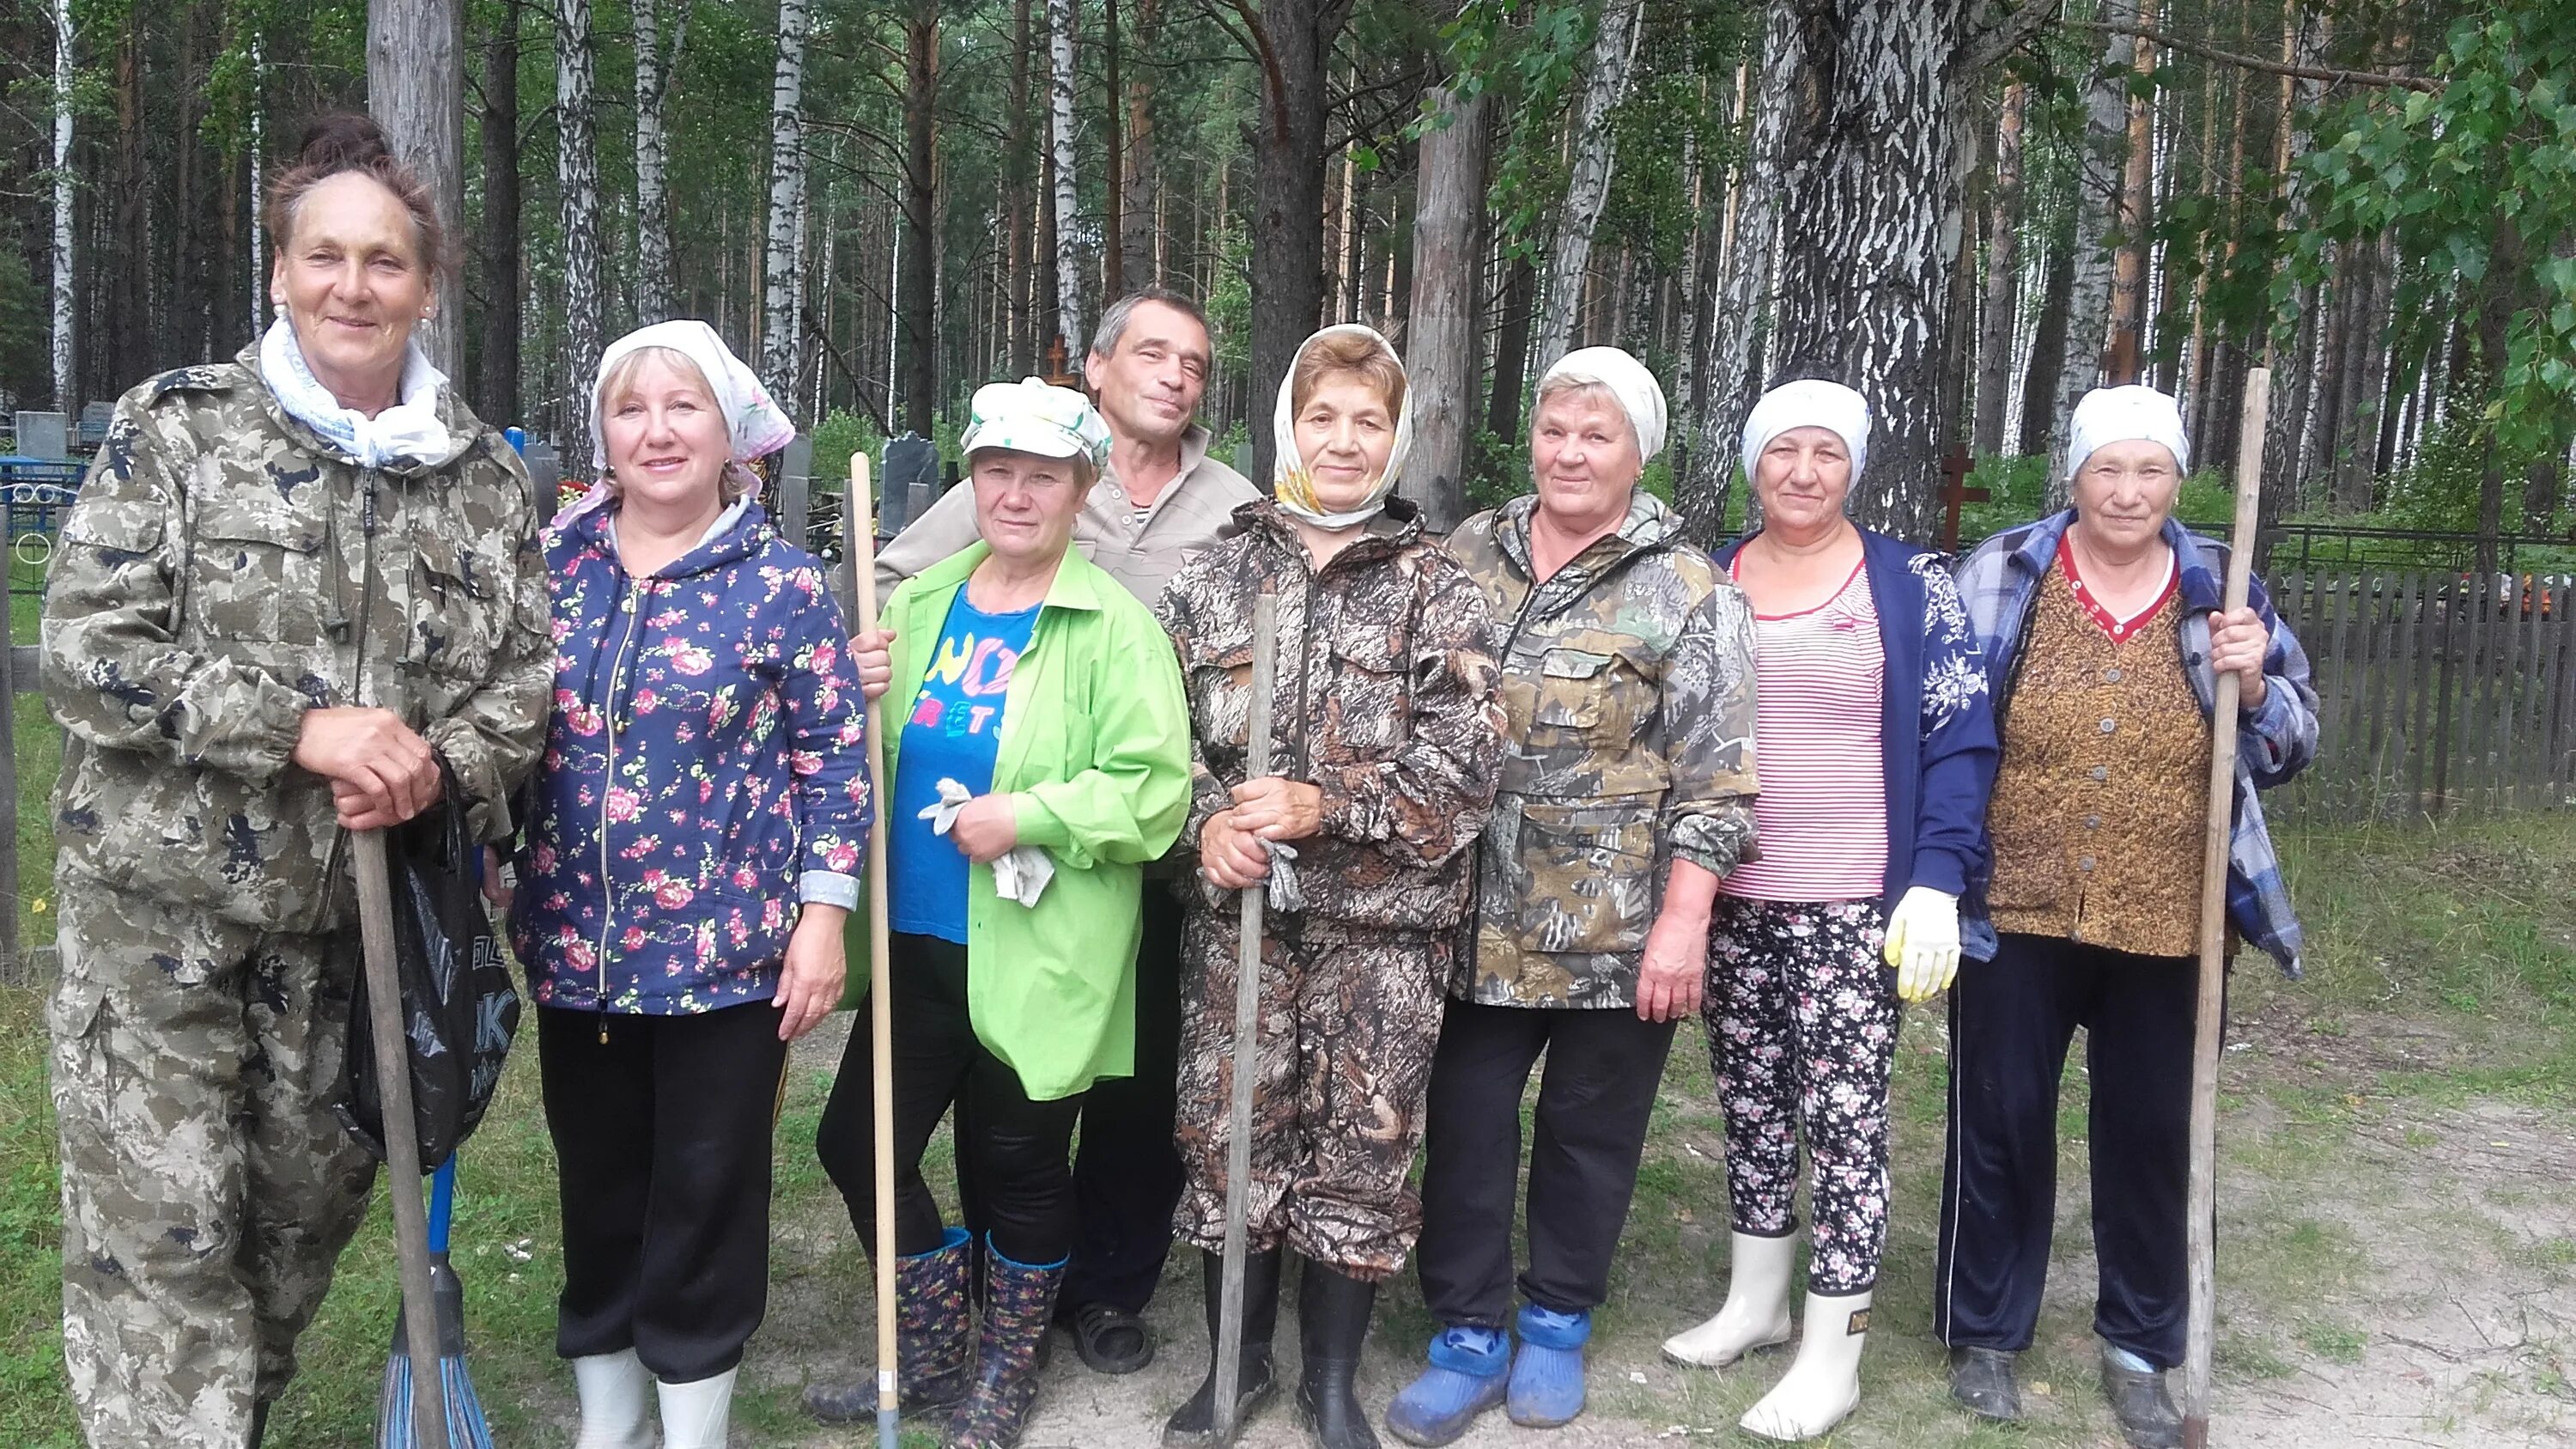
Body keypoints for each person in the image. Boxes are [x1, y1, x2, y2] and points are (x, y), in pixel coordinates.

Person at [39, 113, 549, 1449]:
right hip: (161, 937)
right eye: (324, 255)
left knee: (279, 1266)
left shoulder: (483, 480)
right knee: (164, 1261)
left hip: (349, 956)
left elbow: (527, 682)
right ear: (280, 270)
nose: (353, 286)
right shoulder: (180, 433)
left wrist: (439, 764)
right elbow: (89, 652)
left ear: (425, 287)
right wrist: (301, 726)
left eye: (385, 262)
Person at [872, 287, 1261, 1373]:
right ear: (1095, 368)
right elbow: (899, 582)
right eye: (1152, 352)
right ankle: (1008, 1295)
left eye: (1193, 360)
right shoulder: (1028, 470)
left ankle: (1105, 1287)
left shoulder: (1234, 504)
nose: (1175, 374)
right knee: (1016, 1087)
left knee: (1135, 1084)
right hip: (1012, 848)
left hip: (1162, 831)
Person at [501, 320, 868, 1449]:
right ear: (604, 431)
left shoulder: (782, 581)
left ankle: (694, 1426)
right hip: (577, 953)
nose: (655, 429)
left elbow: (835, 761)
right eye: (630, 407)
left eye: (682, 406)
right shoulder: (550, 569)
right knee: (600, 1190)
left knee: (705, 1195)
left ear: (729, 431)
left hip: (729, 962)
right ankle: (607, 1426)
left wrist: (822, 921)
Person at [810, 378, 1195, 1449]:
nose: (1015, 494)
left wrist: (1027, 813)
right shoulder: (918, 606)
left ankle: (1006, 1369)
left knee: (1021, 1165)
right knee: (857, 1146)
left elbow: (1157, 792)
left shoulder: (1114, 629)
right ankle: (930, 1353)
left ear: (1083, 488)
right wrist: (853, 689)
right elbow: (861, 764)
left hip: (1038, 949)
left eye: (1041, 475)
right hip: (917, 942)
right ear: (972, 480)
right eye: (996, 471)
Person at [1388, 348, 1759, 1446]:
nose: (1570, 452)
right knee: (1461, 1125)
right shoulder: (1466, 551)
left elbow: (1720, 777)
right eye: (1555, 430)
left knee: (1590, 1134)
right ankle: (1466, 1325)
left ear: (1638, 453)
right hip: (1466, 918)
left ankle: (1554, 1318)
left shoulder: (1686, 587)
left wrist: (1685, 922)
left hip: (1615, 934)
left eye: (1597, 435)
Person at [1935, 385, 2318, 1449]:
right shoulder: (2004, 570)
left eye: (2151, 471)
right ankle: (1985, 1332)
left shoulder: (2224, 590)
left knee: (2153, 1131)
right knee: (2001, 1115)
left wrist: (2257, 684)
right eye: (2109, 468)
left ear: (2178, 484)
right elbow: (1943, 715)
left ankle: (2144, 1344)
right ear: (2074, 477)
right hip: (2015, 897)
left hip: (2172, 908)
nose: (2128, 490)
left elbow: (2296, 738)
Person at [1157, 324, 1504, 1449]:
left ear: (1396, 437)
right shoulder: (1214, 573)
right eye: (1322, 416)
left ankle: (1332, 1377)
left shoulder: (1439, 587)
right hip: (1239, 922)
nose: (1344, 440)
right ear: (1287, 427)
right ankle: (1236, 1368)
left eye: (1368, 420)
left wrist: (1326, 805)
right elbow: (1155, 748)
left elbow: (1466, 766)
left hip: (1383, 936)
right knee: (1231, 1131)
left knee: (1364, 1138)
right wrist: (1205, 829)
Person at [1656, 380, 1996, 1441]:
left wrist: (1938, 875)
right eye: (1782, 452)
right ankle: (1758, 1301)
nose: (1803, 473)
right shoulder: (1704, 576)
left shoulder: (1910, 584)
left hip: (1854, 903)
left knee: (1844, 1123)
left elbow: (1962, 738)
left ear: (1854, 468)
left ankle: (1831, 1352)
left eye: (1827, 454)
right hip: (1734, 895)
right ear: (1751, 464)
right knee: (1750, 1104)